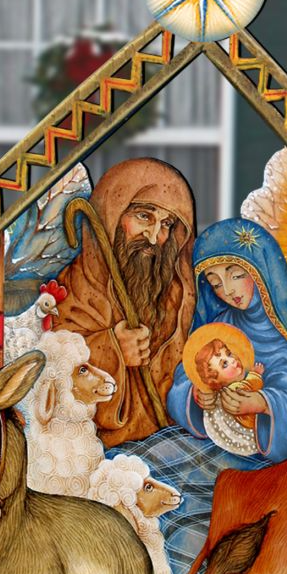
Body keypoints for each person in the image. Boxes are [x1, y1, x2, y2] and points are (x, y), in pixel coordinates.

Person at [120, 217, 287, 574]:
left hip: (265, 465)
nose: (226, 289)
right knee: (134, 466)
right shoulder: (219, 327)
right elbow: (184, 381)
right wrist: (196, 396)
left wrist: (263, 405)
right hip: (211, 440)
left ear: (262, 271)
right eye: (214, 282)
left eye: (234, 274)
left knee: (193, 521)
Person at [54, 158, 196, 446]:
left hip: (166, 442)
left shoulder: (175, 295)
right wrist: (112, 350)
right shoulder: (73, 289)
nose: (156, 238)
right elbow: (52, 378)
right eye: (144, 216)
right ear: (112, 213)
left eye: (166, 224)